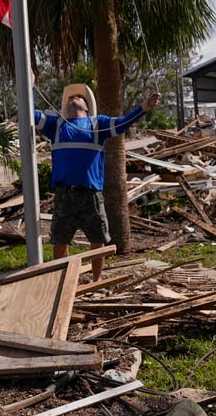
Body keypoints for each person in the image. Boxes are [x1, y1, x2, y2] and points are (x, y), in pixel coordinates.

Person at [34, 84, 161, 281]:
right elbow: (29, 113)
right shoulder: (56, 125)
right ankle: (62, 281)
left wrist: (143, 107)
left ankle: (96, 280)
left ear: (87, 106)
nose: (74, 99)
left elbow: (123, 123)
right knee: (60, 240)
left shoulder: (97, 124)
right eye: (70, 98)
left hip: (90, 194)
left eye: (79, 97)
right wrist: (30, 83)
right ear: (65, 107)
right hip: (64, 194)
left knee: (98, 239)